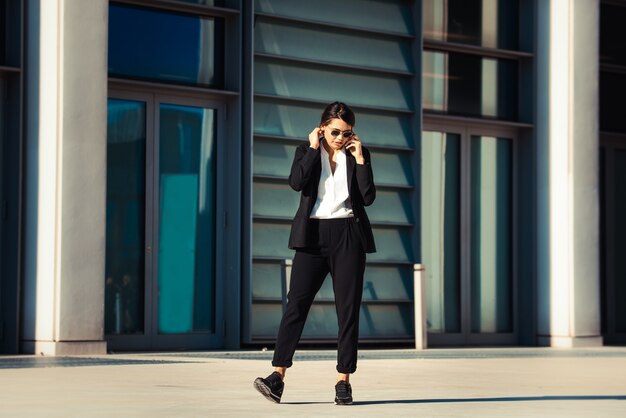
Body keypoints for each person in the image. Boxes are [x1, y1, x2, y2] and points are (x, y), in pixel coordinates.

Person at [253, 101, 376, 405]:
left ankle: (343, 381)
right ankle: (277, 376)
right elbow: (296, 183)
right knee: (296, 305)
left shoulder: (357, 154)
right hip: (313, 236)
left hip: (348, 234)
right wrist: (311, 149)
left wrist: (359, 159)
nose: (340, 138)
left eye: (347, 134)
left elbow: (368, 197)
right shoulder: (305, 151)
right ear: (322, 128)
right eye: (335, 132)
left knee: (347, 311)